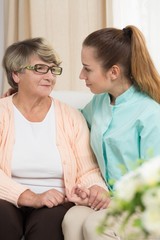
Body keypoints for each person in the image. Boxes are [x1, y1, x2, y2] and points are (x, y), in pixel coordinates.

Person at [0, 37, 109, 240]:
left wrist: (95, 188)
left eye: (53, 70)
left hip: (56, 201)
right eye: (40, 68)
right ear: (16, 74)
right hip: (5, 199)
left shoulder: (71, 116)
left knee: (47, 229)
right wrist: (28, 196)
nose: (50, 76)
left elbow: (87, 170)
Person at [62, 25, 160, 240]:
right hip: (111, 198)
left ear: (113, 72)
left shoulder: (150, 113)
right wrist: (29, 101)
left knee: (97, 224)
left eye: (87, 69)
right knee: (73, 218)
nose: (81, 75)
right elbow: (72, 121)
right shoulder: (100, 102)